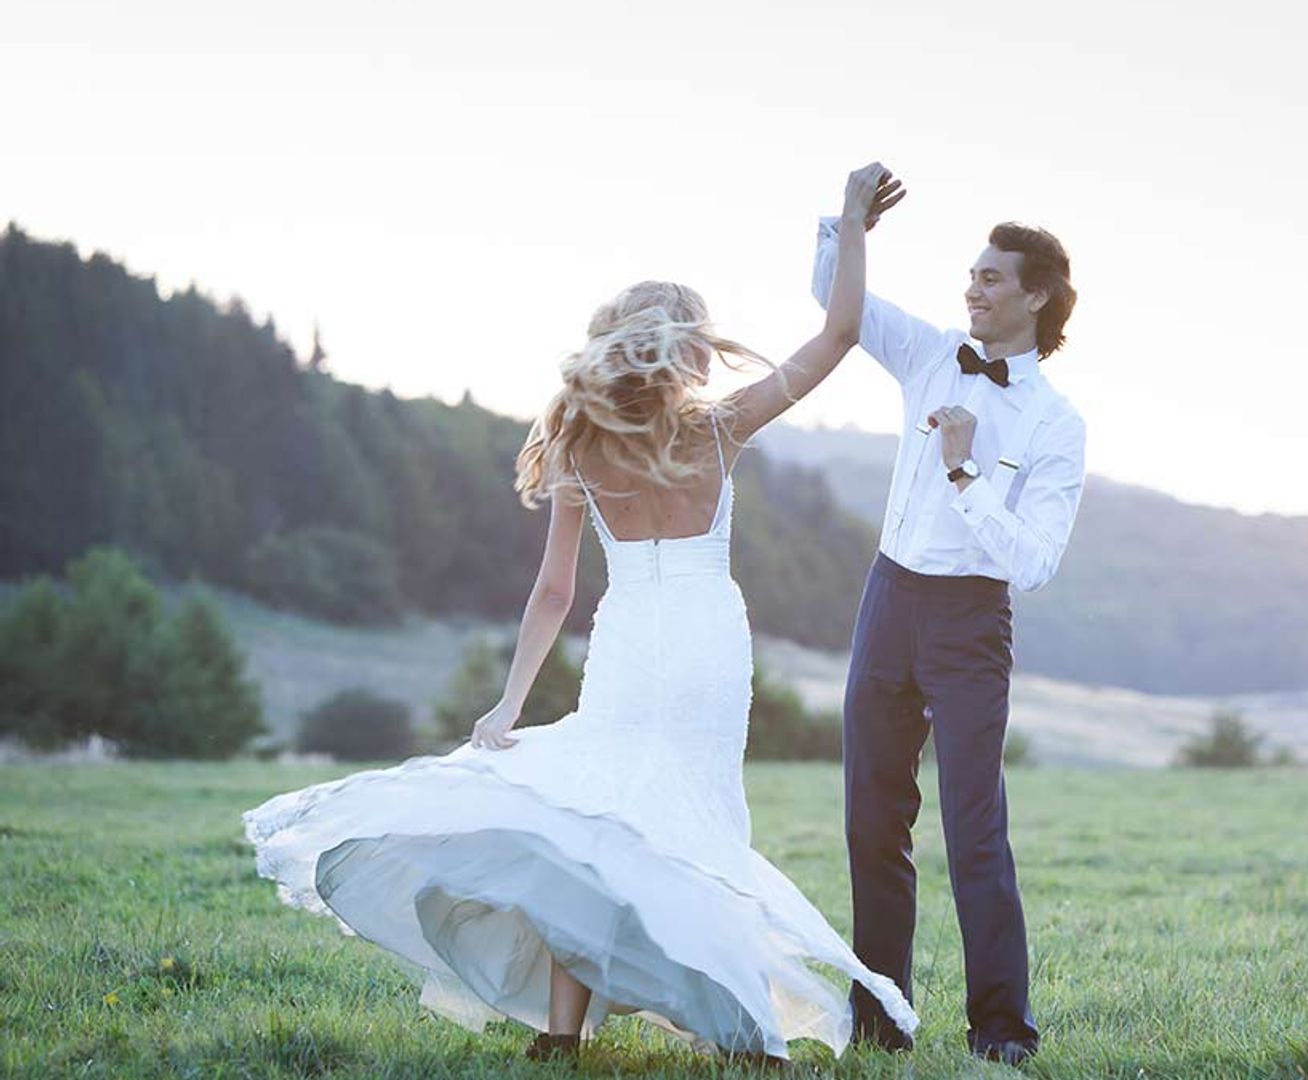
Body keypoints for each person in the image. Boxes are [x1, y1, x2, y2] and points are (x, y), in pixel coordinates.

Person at [243, 162, 913, 1067]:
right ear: (684, 347)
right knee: (700, 826)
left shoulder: (578, 444)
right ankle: (745, 1033)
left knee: (594, 827)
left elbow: (554, 592)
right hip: (709, 645)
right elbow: (838, 333)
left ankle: (562, 1036)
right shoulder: (717, 429)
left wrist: (509, 705)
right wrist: (852, 226)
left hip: (629, 643)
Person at [810, 199, 1087, 1066]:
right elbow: (837, 301)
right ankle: (881, 1016)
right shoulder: (930, 353)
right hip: (889, 600)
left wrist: (965, 473)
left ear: (1036, 297)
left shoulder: (1056, 424)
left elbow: (1034, 563)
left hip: (972, 622)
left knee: (974, 828)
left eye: (990, 277)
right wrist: (849, 221)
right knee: (870, 821)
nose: (971, 288)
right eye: (971, 274)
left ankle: (1002, 1027)